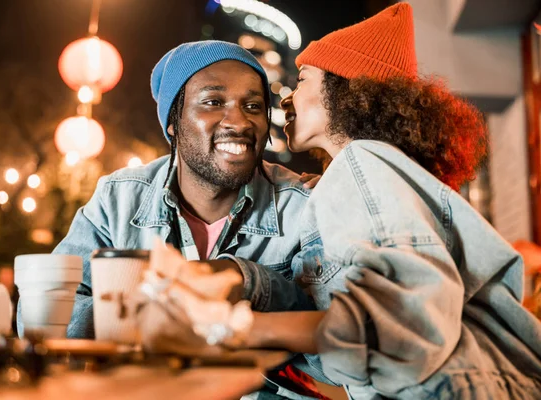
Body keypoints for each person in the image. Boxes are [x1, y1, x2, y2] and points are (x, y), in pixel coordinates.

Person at [146, 4, 541, 399]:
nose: (285, 100)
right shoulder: (358, 181)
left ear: (345, 89)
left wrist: (228, 326)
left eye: (302, 80)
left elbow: (406, 332)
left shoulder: (362, 162)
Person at [19, 40, 329, 398]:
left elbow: (334, 358)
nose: (240, 121)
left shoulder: (303, 206)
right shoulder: (118, 198)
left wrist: (249, 282)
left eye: (253, 105)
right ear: (172, 123)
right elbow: (41, 317)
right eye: (213, 102)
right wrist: (161, 317)